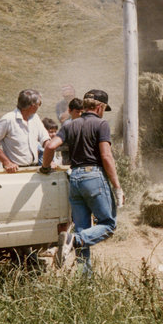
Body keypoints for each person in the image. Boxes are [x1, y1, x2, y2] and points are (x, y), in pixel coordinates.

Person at [40, 89, 123, 276]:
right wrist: (117, 186)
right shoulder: (101, 124)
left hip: (74, 177)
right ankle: (73, 239)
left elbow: (51, 146)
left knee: (83, 228)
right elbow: (106, 155)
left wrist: (45, 167)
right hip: (93, 176)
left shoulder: (70, 125)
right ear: (100, 107)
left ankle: (85, 278)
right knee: (108, 225)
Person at [0, 89, 50, 173]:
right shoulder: (8, 119)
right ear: (32, 106)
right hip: (15, 171)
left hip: (34, 169)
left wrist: (50, 160)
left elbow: (45, 139)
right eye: (39, 104)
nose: (39, 106)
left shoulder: (35, 118)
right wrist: (7, 162)